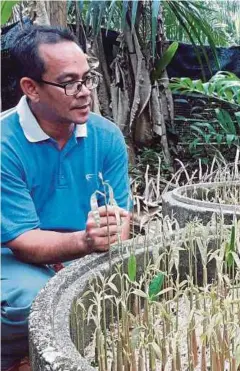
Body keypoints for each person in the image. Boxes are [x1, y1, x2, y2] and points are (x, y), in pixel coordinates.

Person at [1, 26, 132, 370]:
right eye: (69, 82)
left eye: (88, 79)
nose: (85, 92)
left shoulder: (107, 137)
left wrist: (113, 230)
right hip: (16, 260)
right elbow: (21, 240)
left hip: (83, 252)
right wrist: (85, 240)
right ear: (31, 88)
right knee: (36, 300)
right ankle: (12, 358)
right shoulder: (4, 143)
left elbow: (119, 221)